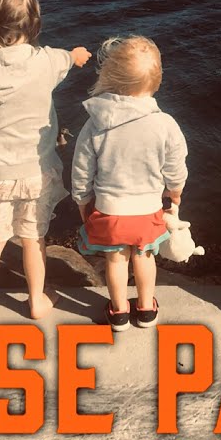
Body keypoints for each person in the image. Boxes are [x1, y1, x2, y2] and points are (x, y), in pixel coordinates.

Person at [0, 0, 92, 323]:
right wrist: (77, 56)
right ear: (33, 24)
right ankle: (36, 300)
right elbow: (67, 59)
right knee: (34, 239)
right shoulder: (44, 61)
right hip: (37, 171)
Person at [72, 36, 189, 332]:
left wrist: (83, 202)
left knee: (115, 261)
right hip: (147, 211)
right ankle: (146, 309)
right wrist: (174, 194)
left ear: (110, 77)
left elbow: (82, 170)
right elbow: (175, 168)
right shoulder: (165, 124)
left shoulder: (95, 123)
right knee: (145, 257)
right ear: (157, 81)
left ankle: (119, 312)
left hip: (110, 211)